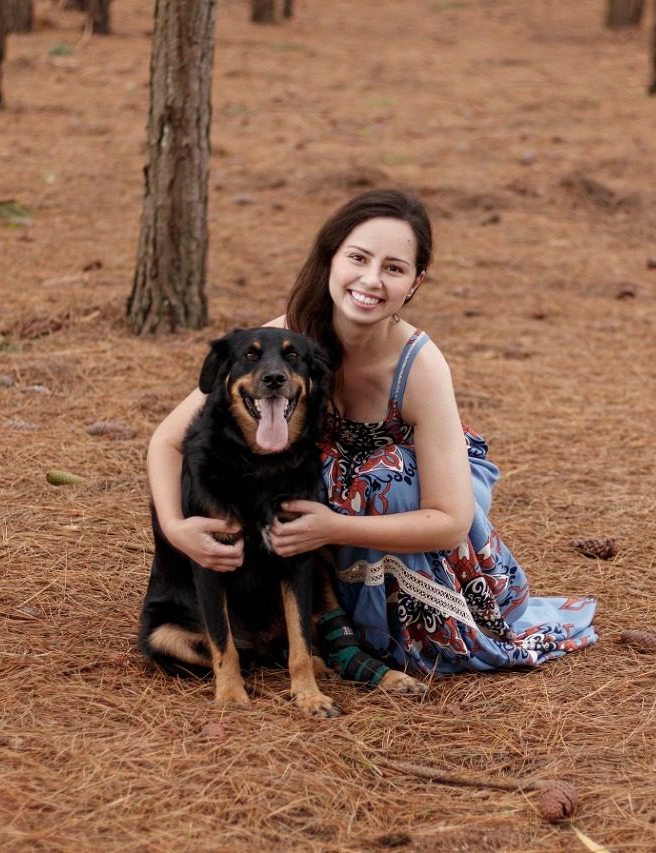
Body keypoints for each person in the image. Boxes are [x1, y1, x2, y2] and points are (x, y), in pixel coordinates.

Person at [146, 189, 597, 683]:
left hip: (408, 517)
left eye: (394, 268)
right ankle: (325, 627)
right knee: (289, 477)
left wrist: (332, 528)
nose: (371, 279)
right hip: (315, 516)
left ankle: (364, 632)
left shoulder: (419, 366)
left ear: (415, 283)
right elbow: (168, 441)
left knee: (379, 479)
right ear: (331, 260)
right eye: (358, 258)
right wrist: (175, 528)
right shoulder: (285, 342)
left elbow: (449, 519)